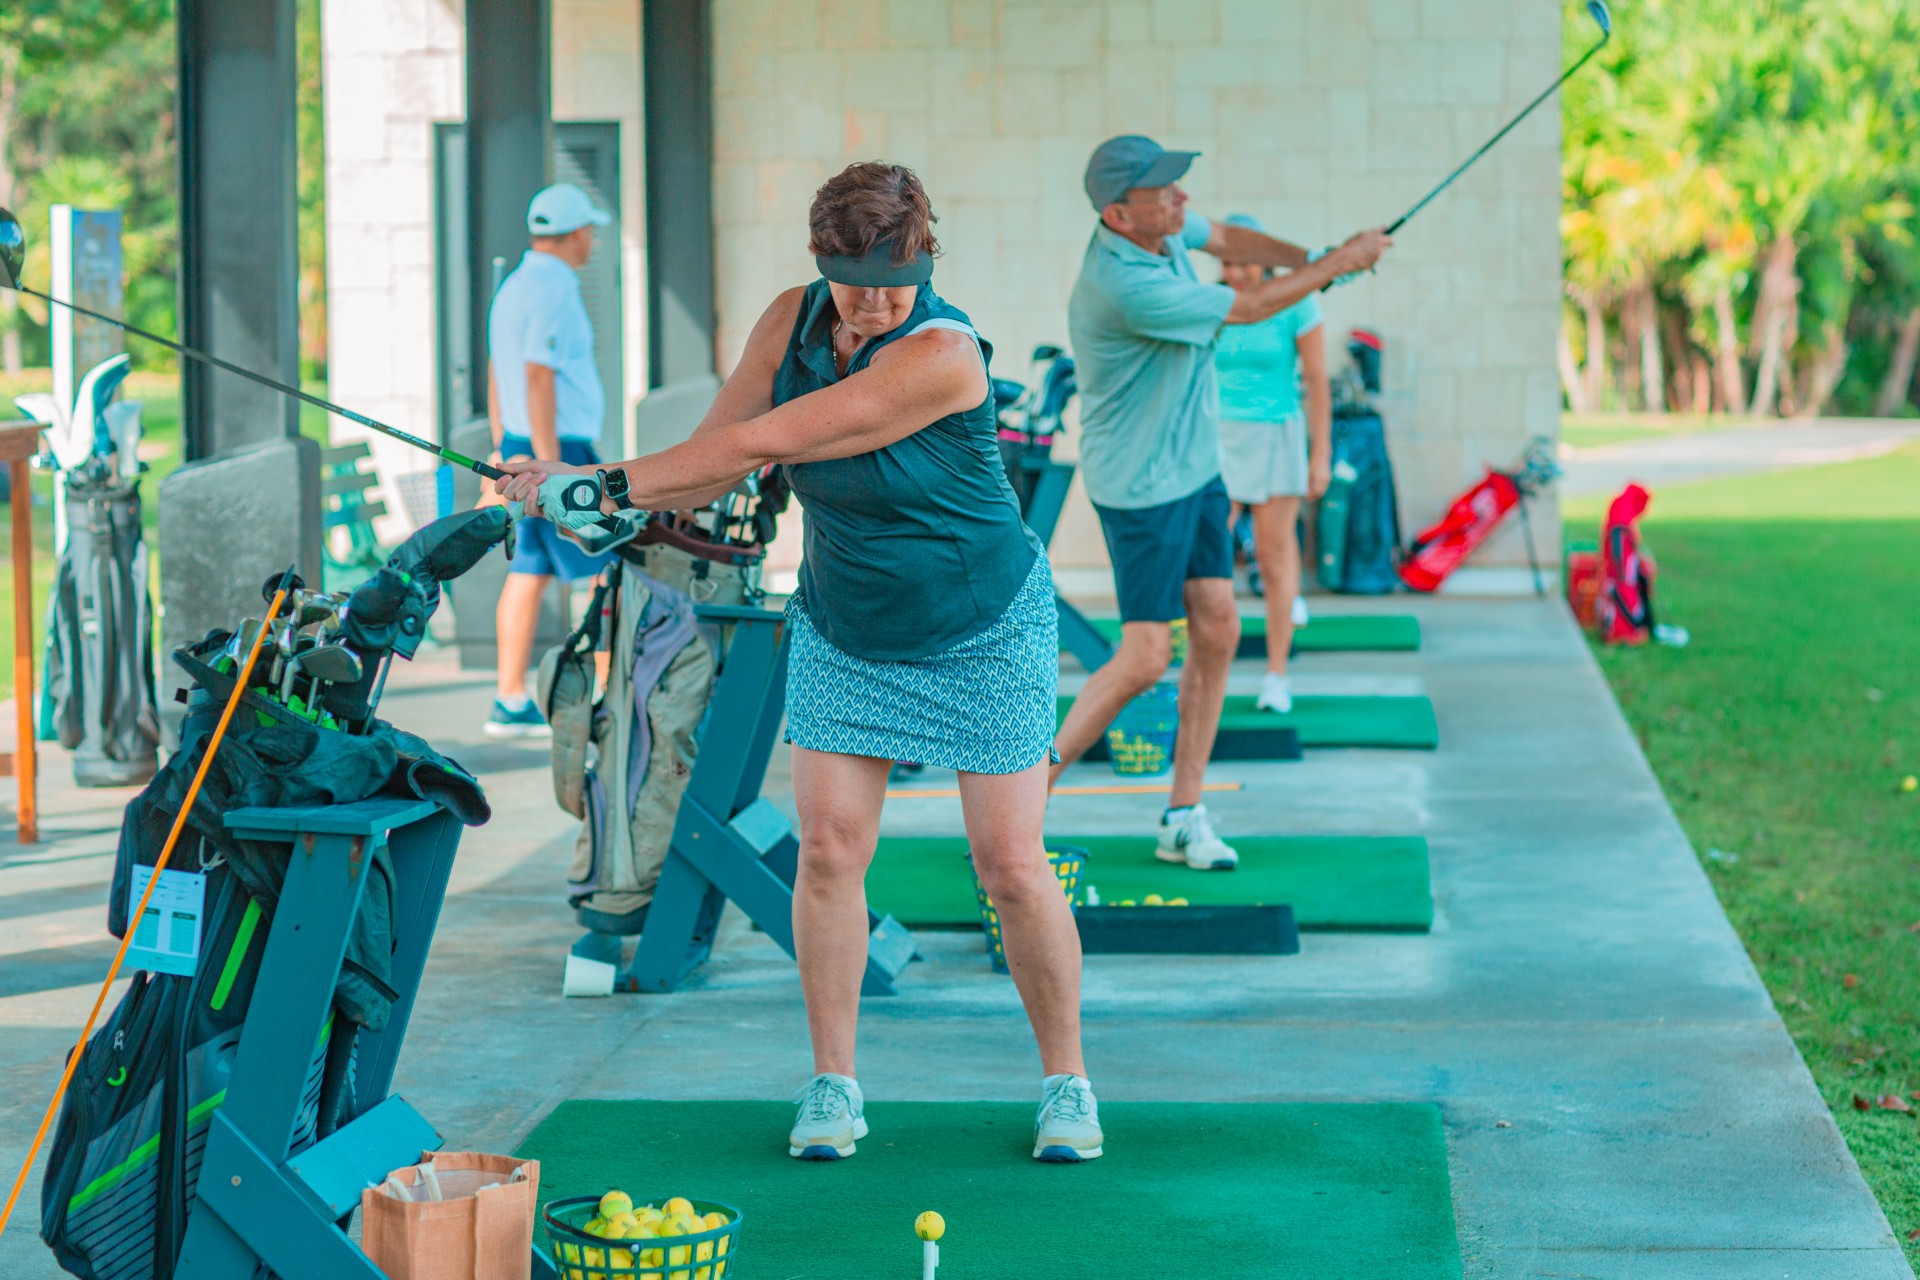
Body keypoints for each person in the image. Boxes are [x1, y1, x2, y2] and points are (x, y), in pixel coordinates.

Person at [499, 162, 1103, 1164]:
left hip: (983, 623)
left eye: (893, 275)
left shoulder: (943, 354)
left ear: (926, 256)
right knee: (826, 850)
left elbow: (773, 436)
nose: (871, 298)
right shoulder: (793, 318)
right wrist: (604, 498)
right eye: (849, 273)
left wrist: (598, 479)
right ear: (820, 260)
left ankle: (1068, 1081)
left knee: (1008, 864)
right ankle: (833, 1083)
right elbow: (716, 449)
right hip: (848, 619)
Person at [1054, 135, 1390, 869]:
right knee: (1145, 658)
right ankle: (1021, 799)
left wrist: (1313, 257)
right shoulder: (1124, 284)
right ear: (1119, 214)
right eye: (1164, 193)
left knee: (1217, 625)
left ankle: (1183, 812)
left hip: (1194, 465)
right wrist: (1336, 265)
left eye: (1179, 186)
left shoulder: (1164, 228)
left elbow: (1235, 240)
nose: (1182, 201)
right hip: (1141, 485)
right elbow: (1245, 306)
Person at [482, 182, 615, 739]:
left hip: (521, 442)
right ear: (576, 233)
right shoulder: (557, 287)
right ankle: (604, 699)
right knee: (604, 567)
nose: (592, 241)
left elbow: (498, 368)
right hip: (559, 450)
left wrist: (503, 446)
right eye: (590, 231)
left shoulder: (513, 284)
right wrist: (553, 468)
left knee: (530, 569)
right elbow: (538, 374)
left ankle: (508, 700)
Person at [1215, 212, 1333, 713]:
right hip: (1217, 437)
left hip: (1277, 434)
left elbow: (1318, 381)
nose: (1238, 273)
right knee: (1210, 552)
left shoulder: (1295, 302)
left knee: (1274, 554)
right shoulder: (1212, 304)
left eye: (1247, 262)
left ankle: (1276, 675)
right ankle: (1206, 670)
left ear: (1265, 261)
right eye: (1228, 262)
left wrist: (1321, 455)